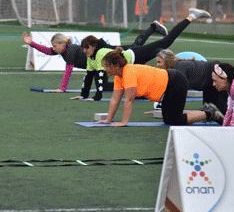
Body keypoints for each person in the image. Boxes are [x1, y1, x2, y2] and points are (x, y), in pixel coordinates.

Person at [78, 8, 211, 100]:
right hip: (133, 62)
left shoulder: (100, 53)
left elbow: (100, 76)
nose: (84, 51)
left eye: (86, 48)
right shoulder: (91, 57)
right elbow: (89, 76)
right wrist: (83, 95)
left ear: (93, 46)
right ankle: (153, 27)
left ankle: (191, 16)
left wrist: (97, 96)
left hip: (136, 56)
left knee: (167, 41)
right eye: (83, 49)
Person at [21, 20, 167, 93]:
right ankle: (153, 29)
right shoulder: (63, 50)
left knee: (136, 47)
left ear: (62, 43)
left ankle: (153, 28)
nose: (53, 49)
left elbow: (68, 71)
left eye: (55, 46)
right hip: (100, 60)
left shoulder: (70, 50)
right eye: (53, 46)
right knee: (135, 47)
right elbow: (47, 51)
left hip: (107, 53)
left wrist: (62, 88)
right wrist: (31, 43)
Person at [96, 50, 220, 126]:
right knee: (169, 119)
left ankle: (210, 113)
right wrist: (108, 119)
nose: (105, 69)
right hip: (170, 84)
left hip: (175, 82)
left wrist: (124, 122)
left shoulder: (129, 72)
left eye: (107, 66)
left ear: (116, 66)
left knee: (175, 120)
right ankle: (208, 111)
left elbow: (129, 99)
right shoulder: (119, 76)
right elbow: (115, 99)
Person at [157, 49, 227, 117]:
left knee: (222, 110)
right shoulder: (176, 67)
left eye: (159, 62)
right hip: (208, 81)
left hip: (214, 74)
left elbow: (179, 92)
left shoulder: (178, 69)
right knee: (209, 110)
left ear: (167, 62)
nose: (157, 65)